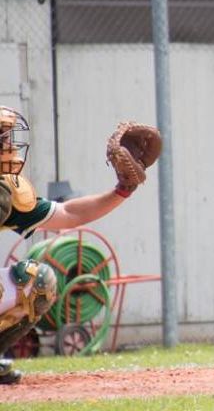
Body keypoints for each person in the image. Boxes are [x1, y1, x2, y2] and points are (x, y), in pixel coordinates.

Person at [0, 106, 158, 385]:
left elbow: (69, 214)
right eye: (2, 138)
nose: (10, 146)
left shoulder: (7, 190)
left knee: (37, 281)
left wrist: (122, 190)